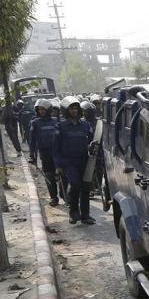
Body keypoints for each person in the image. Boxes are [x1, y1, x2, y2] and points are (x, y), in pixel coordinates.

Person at [54, 96, 95, 225]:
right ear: (66, 110)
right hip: (69, 162)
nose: (74, 110)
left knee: (86, 187)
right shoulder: (60, 126)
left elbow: (92, 141)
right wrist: (58, 165)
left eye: (76, 107)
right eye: (71, 108)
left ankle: (85, 215)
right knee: (75, 185)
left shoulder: (85, 124)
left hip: (84, 160)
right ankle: (73, 213)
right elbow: (55, 148)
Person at [29, 99, 60, 206]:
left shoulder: (56, 121)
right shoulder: (35, 123)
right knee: (49, 175)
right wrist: (31, 155)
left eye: (43, 109)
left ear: (48, 110)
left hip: (58, 152)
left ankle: (67, 196)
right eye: (39, 109)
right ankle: (54, 197)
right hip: (45, 153)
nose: (41, 111)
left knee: (63, 174)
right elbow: (32, 141)